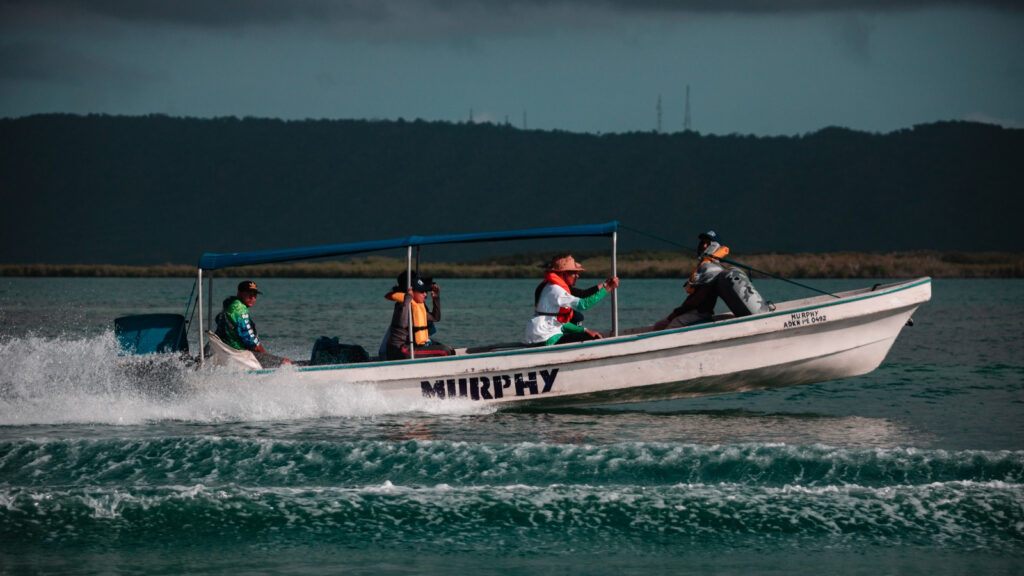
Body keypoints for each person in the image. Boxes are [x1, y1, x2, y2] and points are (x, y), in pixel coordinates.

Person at [523, 254, 619, 345]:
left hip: (538, 334)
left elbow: (560, 323)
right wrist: (608, 288)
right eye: (574, 273)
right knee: (593, 338)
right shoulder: (556, 290)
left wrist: (585, 330)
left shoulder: (548, 287)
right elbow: (583, 304)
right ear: (564, 274)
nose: (577, 276)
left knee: (585, 332)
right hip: (546, 337)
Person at [652, 230, 731, 330]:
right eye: (702, 242)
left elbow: (698, 298)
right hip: (692, 310)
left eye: (708, 243)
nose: (704, 246)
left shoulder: (713, 269)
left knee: (674, 324)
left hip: (701, 312)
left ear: (715, 247)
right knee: (659, 325)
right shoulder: (704, 266)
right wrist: (676, 313)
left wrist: (676, 313)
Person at [214, 280, 291, 367]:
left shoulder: (229, 304)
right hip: (239, 353)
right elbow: (250, 340)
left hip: (227, 349)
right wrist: (266, 356)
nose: (252, 298)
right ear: (239, 293)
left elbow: (217, 319)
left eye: (255, 295)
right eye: (249, 294)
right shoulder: (240, 309)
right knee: (286, 363)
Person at [385, 273, 455, 360]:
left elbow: (435, 318)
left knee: (450, 350)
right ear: (412, 292)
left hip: (412, 346)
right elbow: (402, 323)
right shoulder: (402, 305)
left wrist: (436, 298)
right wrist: (408, 298)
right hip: (399, 350)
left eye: (426, 291)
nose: (425, 294)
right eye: (422, 292)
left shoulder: (417, 308)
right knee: (444, 351)